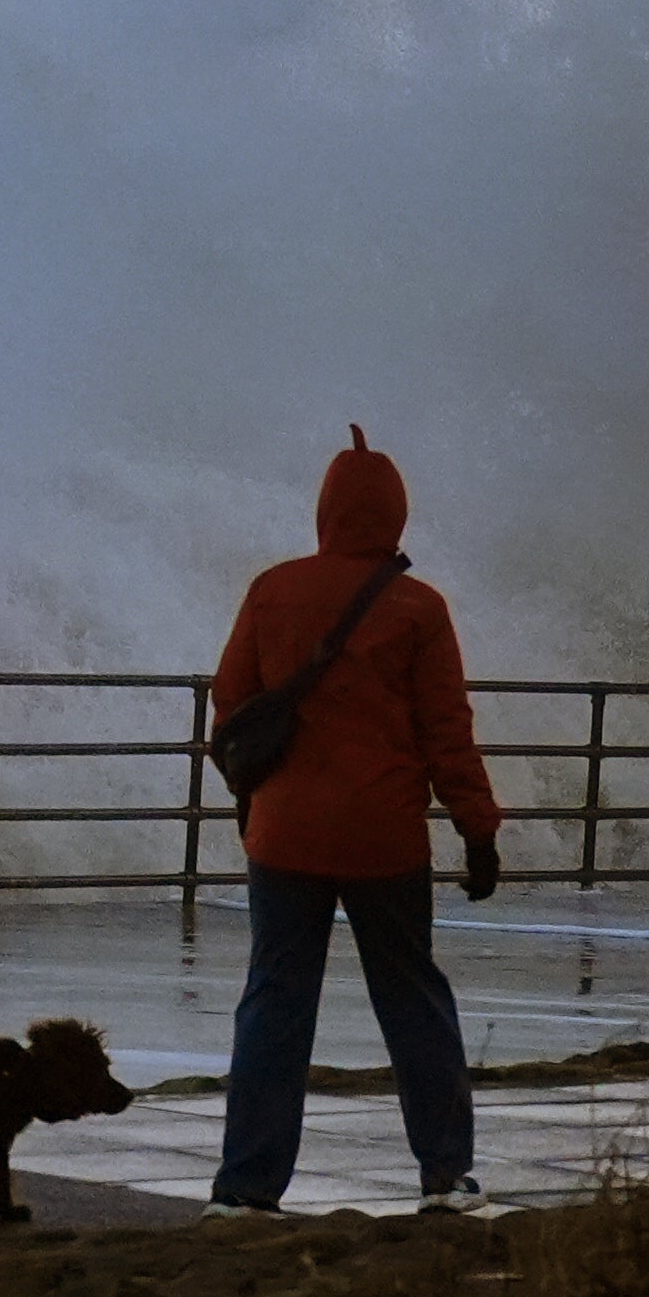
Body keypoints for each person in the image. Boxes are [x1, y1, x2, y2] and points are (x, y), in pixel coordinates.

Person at [204, 426, 505, 1219]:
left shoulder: (274, 589)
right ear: (396, 516)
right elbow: (447, 732)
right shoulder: (417, 607)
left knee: (275, 1000)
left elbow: (231, 702)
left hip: (286, 839)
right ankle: (444, 1175)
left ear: (325, 511)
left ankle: (245, 1189)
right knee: (411, 999)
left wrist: (254, 798)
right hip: (384, 840)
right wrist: (479, 829)